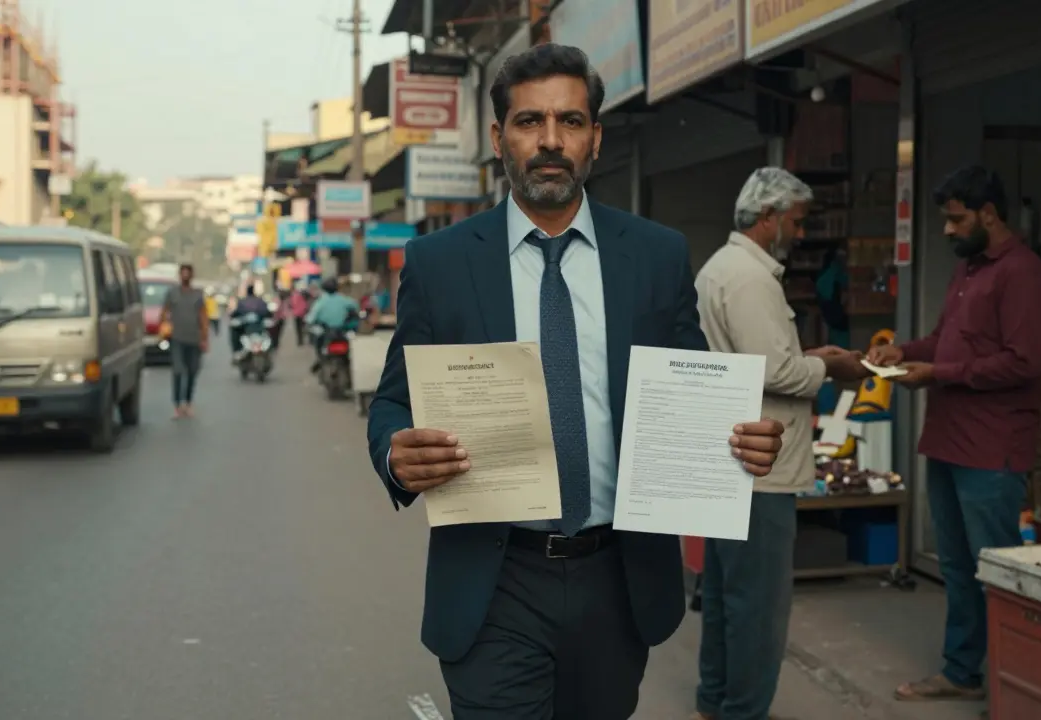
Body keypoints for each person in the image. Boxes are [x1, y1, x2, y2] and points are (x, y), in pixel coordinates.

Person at [366, 43, 786, 720]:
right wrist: (394, 449)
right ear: (499, 139)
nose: (551, 141)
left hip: (617, 575)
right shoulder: (439, 263)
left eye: (571, 121)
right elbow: (392, 398)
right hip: (494, 574)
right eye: (530, 122)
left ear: (595, 136)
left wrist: (737, 440)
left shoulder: (656, 255)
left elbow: (694, 390)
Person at [869, 166, 1041, 707]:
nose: (947, 231)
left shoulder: (1024, 274)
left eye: (956, 220)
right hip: (949, 439)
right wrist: (904, 352)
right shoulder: (969, 270)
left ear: (989, 214)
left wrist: (939, 374)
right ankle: (962, 670)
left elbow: (1022, 362)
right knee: (956, 566)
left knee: (995, 570)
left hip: (992, 450)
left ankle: (1012, 684)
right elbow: (944, 341)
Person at [691, 168, 871, 720]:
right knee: (760, 605)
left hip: (733, 454)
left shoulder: (723, 269)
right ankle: (742, 709)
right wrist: (831, 366)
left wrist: (807, 359)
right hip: (760, 465)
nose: (800, 231)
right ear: (768, 219)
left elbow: (760, 358)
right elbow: (775, 370)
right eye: (796, 220)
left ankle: (715, 699)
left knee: (725, 594)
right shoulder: (749, 278)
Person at [160, 263, 209, 419]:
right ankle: (177, 405)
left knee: (192, 371)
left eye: (188, 273)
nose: (185, 276)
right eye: (183, 274)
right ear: (180, 276)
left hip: (194, 339)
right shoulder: (172, 293)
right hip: (177, 338)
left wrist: (204, 338)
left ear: (192, 276)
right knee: (178, 371)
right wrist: (165, 327)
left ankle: (187, 402)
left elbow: (203, 317)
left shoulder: (197, 295)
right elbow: (165, 312)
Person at [230, 284, 272, 357]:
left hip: (255, 329)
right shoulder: (260, 301)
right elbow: (267, 312)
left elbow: (235, 313)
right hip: (251, 329)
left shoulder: (242, 302)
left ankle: (236, 351)